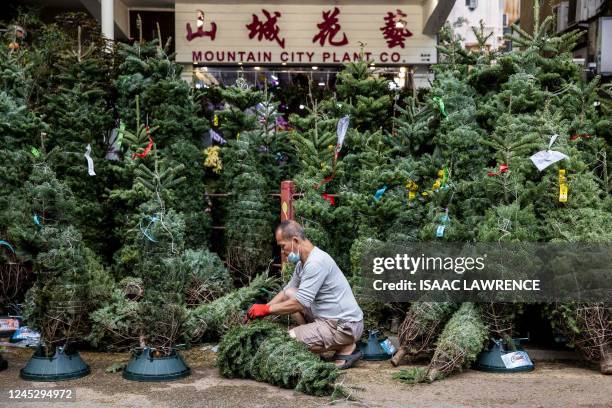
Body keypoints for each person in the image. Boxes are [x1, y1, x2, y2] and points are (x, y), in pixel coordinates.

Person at [247, 220, 364, 369]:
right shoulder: (303, 263)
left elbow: (299, 303)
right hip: (329, 319)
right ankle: (315, 338)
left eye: (283, 246)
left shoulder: (315, 263)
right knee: (290, 293)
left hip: (344, 325)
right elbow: (286, 292)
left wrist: (267, 310)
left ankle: (346, 347)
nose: (282, 252)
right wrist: (262, 309)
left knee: (286, 342)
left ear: (295, 241)